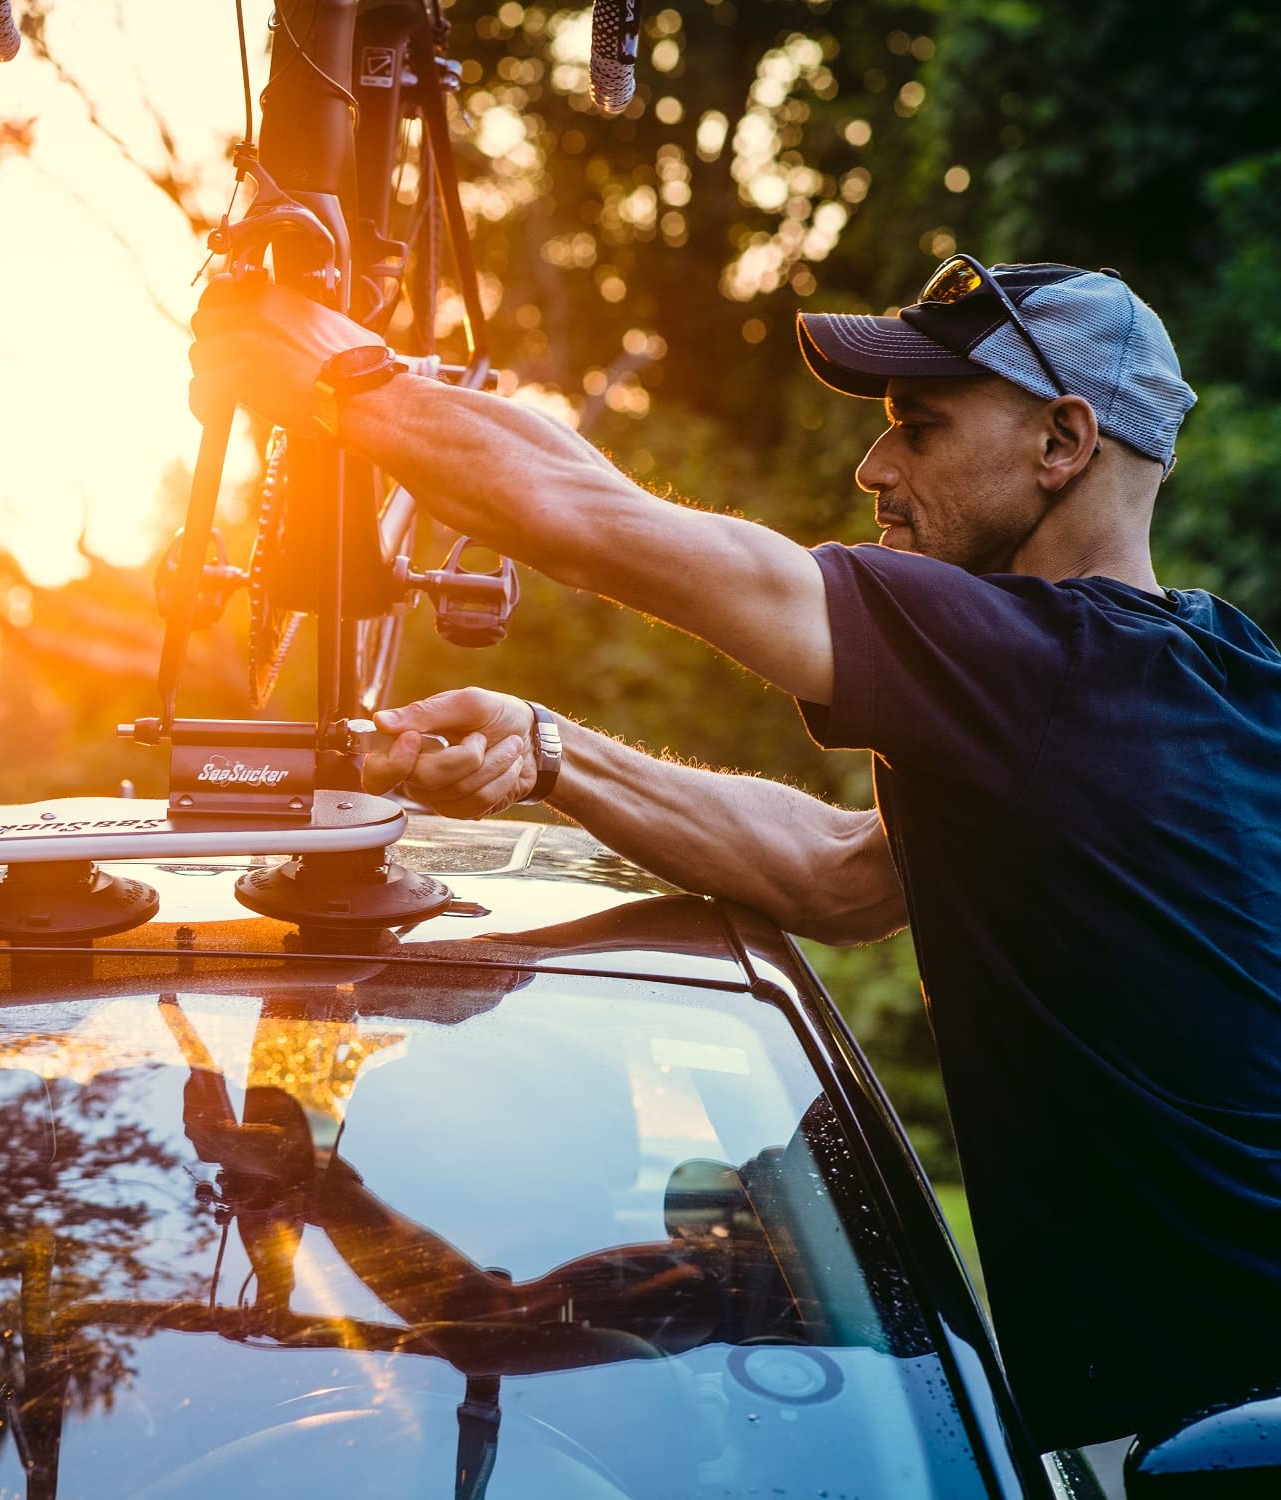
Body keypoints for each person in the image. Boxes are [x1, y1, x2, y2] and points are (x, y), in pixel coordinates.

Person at [186, 257, 1281, 1451]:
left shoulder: (1045, 665)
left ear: (1063, 442)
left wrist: (323, 363)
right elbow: (842, 876)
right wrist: (552, 751)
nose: (875, 469)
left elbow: (589, 524)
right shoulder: (1205, 674)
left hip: (1221, 1430)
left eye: (918, 428)